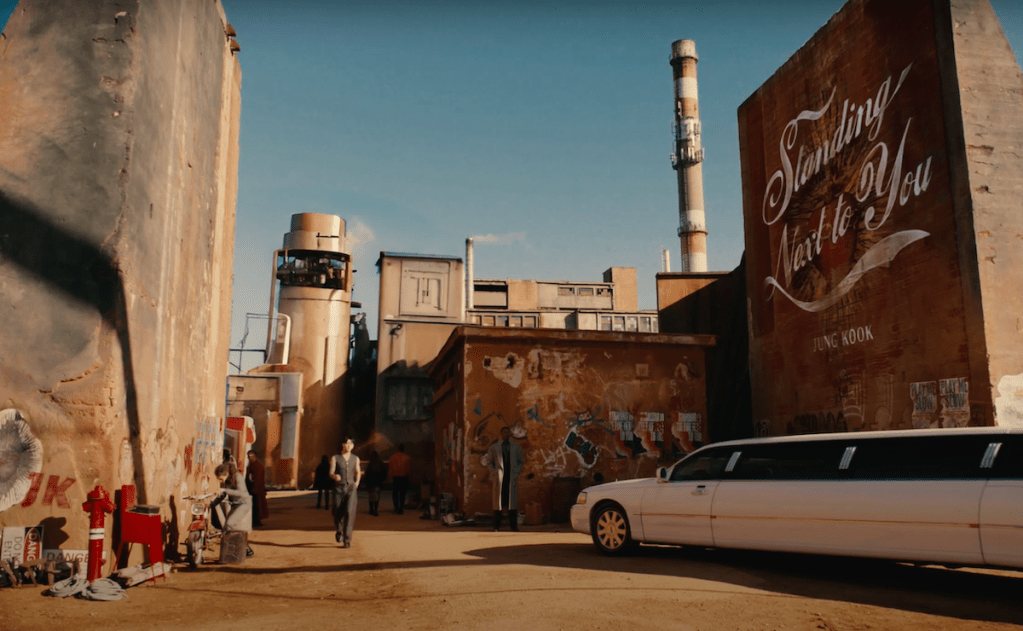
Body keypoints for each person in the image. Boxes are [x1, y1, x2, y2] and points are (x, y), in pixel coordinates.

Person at [487, 426, 524, 531]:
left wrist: (516, 471)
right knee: (498, 504)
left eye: (508, 433)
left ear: (510, 434)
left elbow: (521, 462)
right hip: (499, 478)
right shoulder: (494, 447)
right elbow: (489, 462)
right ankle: (496, 527)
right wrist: (494, 472)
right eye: (504, 433)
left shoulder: (516, 447)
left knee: (511, 504)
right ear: (501, 434)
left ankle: (514, 527)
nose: (506, 435)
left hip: (511, 477)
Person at [214, 461, 254, 557]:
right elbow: (224, 494)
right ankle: (244, 549)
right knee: (228, 528)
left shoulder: (238, 477)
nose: (220, 481)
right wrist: (213, 503)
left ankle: (245, 549)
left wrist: (224, 490)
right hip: (235, 504)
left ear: (226, 474)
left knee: (229, 524)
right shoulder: (227, 479)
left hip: (244, 504)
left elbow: (242, 493)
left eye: (220, 479)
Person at [329, 438, 361, 547]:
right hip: (339, 488)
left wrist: (357, 482)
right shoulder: (335, 458)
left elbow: (358, 472)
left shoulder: (355, 459)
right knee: (337, 510)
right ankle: (339, 530)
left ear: (353, 446)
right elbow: (331, 472)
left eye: (350, 444)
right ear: (342, 445)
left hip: (351, 488)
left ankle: (347, 540)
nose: (348, 446)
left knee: (349, 512)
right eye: (346, 444)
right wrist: (334, 476)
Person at [245, 450, 269, 528]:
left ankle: (256, 521)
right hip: (255, 489)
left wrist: (252, 488)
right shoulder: (254, 465)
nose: (248, 458)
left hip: (256, 490)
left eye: (249, 456)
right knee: (256, 507)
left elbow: (256, 479)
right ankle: (255, 521)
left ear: (253, 456)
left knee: (256, 507)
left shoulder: (256, 466)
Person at [387, 443, 412, 514]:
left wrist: (390, 477)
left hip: (395, 477)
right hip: (404, 477)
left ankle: (396, 507)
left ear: (398, 449)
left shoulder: (392, 457)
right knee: (402, 493)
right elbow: (409, 469)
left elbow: (390, 469)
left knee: (395, 493)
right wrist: (411, 477)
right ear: (404, 449)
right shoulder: (407, 458)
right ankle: (401, 508)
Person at [364, 451, 387, 516]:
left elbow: (367, 473)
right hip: (378, 482)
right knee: (377, 496)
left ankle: (371, 509)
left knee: (371, 496)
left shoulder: (370, 463)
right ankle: (375, 509)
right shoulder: (381, 463)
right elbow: (384, 472)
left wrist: (366, 482)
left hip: (371, 482)